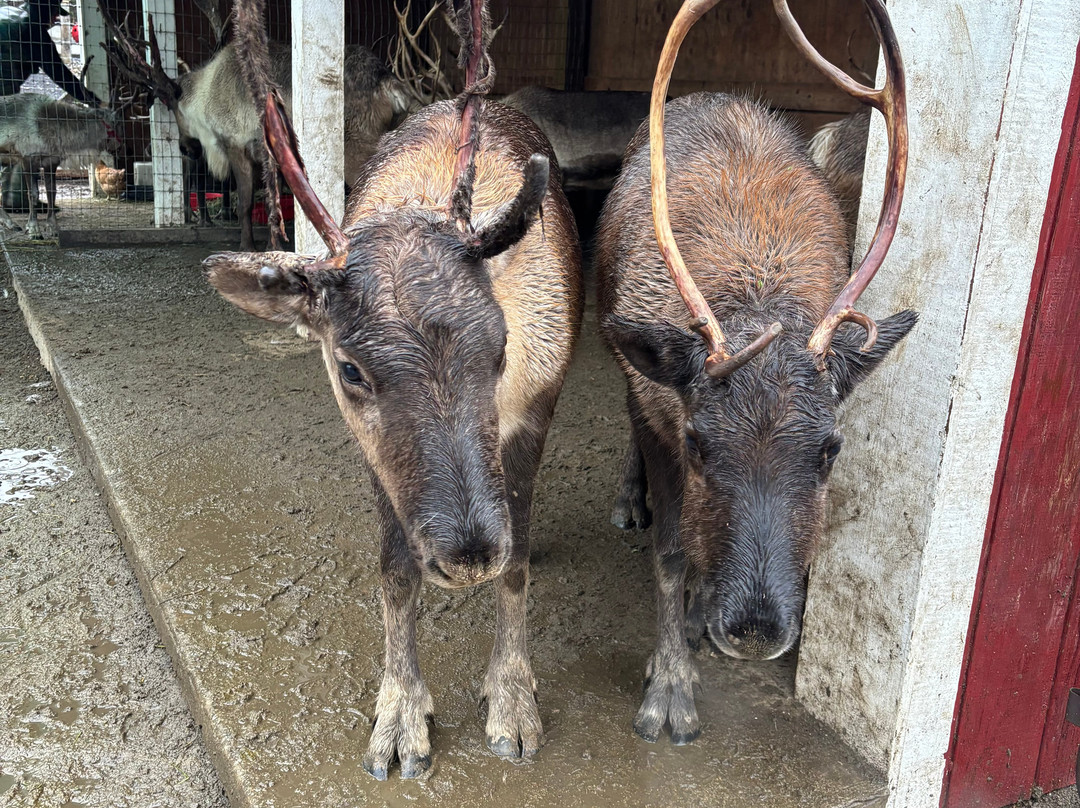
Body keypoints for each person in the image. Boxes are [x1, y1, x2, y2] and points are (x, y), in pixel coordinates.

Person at [0, 0, 99, 103]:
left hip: (6, 76)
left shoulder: (8, 11)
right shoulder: (33, 31)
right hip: (4, 85)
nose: (55, 19)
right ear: (45, 11)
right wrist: (95, 102)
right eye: (54, 13)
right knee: (9, 106)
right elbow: (60, 75)